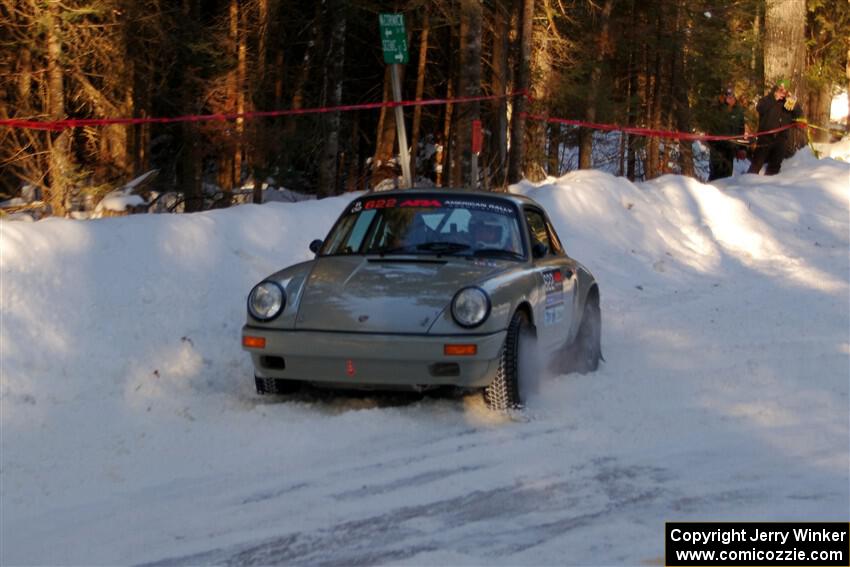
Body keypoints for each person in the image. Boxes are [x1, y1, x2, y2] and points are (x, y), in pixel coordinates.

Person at [747, 79, 803, 176]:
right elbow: (760, 107)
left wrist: (795, 106)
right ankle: (747, 182)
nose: (782, 91)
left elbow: (799, 116)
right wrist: (773, 98)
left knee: (775, 166)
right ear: (776, 89)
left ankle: (771, 187)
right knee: (756, 164)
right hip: (766, 137)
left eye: (784, 89)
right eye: (780, 88)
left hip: (781, 138)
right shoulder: (768, 99)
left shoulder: (789, 102)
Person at [708, 88, 746, 181]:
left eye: (731, 95)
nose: (729, 98)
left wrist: (742, 148)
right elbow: (711, 126)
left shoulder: (739, 110)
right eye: (727, 95)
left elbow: (741, 130)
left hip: (731, 148)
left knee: (727, 176)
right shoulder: (718, 108)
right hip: (717, 147)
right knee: (715, 174)